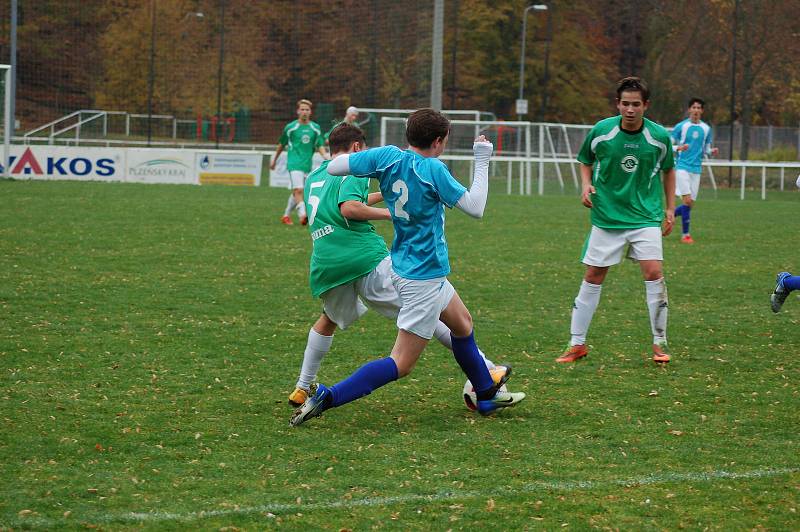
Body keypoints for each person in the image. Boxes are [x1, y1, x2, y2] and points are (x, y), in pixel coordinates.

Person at [290, 109, 525, 426]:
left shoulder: (388, 157)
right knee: (401, 363)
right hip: (422, 276)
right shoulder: (433, 169)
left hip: (405, 265)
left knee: (462, 324)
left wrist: (371, 163)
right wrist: (482, 158)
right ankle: (328, 396)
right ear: (439, 141)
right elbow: (476, 207)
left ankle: (486, 393)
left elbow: (334, 166)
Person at [557, 77, 676, 365]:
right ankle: (577, 344)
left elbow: (669, 170)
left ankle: (659, 343)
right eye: (625, 104)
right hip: (607, 216)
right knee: (594, 276)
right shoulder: (602, 131)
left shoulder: (658, 137)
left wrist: (670, 209)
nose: (630, 109)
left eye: (636, 104)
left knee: (653, 272)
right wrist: (585, 186)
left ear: (646, 105)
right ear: (617, 104)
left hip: (645, 216)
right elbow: (585, 159)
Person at [270, 99, 328, 225]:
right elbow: (281, 144)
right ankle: (303, 214)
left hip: (307, 165)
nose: (304, 112)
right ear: (298, 111)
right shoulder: (291, 127)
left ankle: (286, 216)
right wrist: (274, 160)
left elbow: (320, 144)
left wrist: (325, 156)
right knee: (299, 190)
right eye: (302, 109)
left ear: (310, 112)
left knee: (300, 192)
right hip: (294, 163)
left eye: (307, 110)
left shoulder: (315, 128)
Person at [670, 98, 718, 244]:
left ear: (702, 111)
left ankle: (668, 215)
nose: (696, 110)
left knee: (689, 204)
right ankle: (686, 235)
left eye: (699, 108)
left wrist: (711, 151)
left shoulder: (706, 129)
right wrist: (677, 147)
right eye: (694, 107)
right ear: (689, 109)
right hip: (682, 167)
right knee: (687, 200)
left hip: (696, 169)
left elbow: (706, 149)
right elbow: (669, 143)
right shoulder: (681, 126)